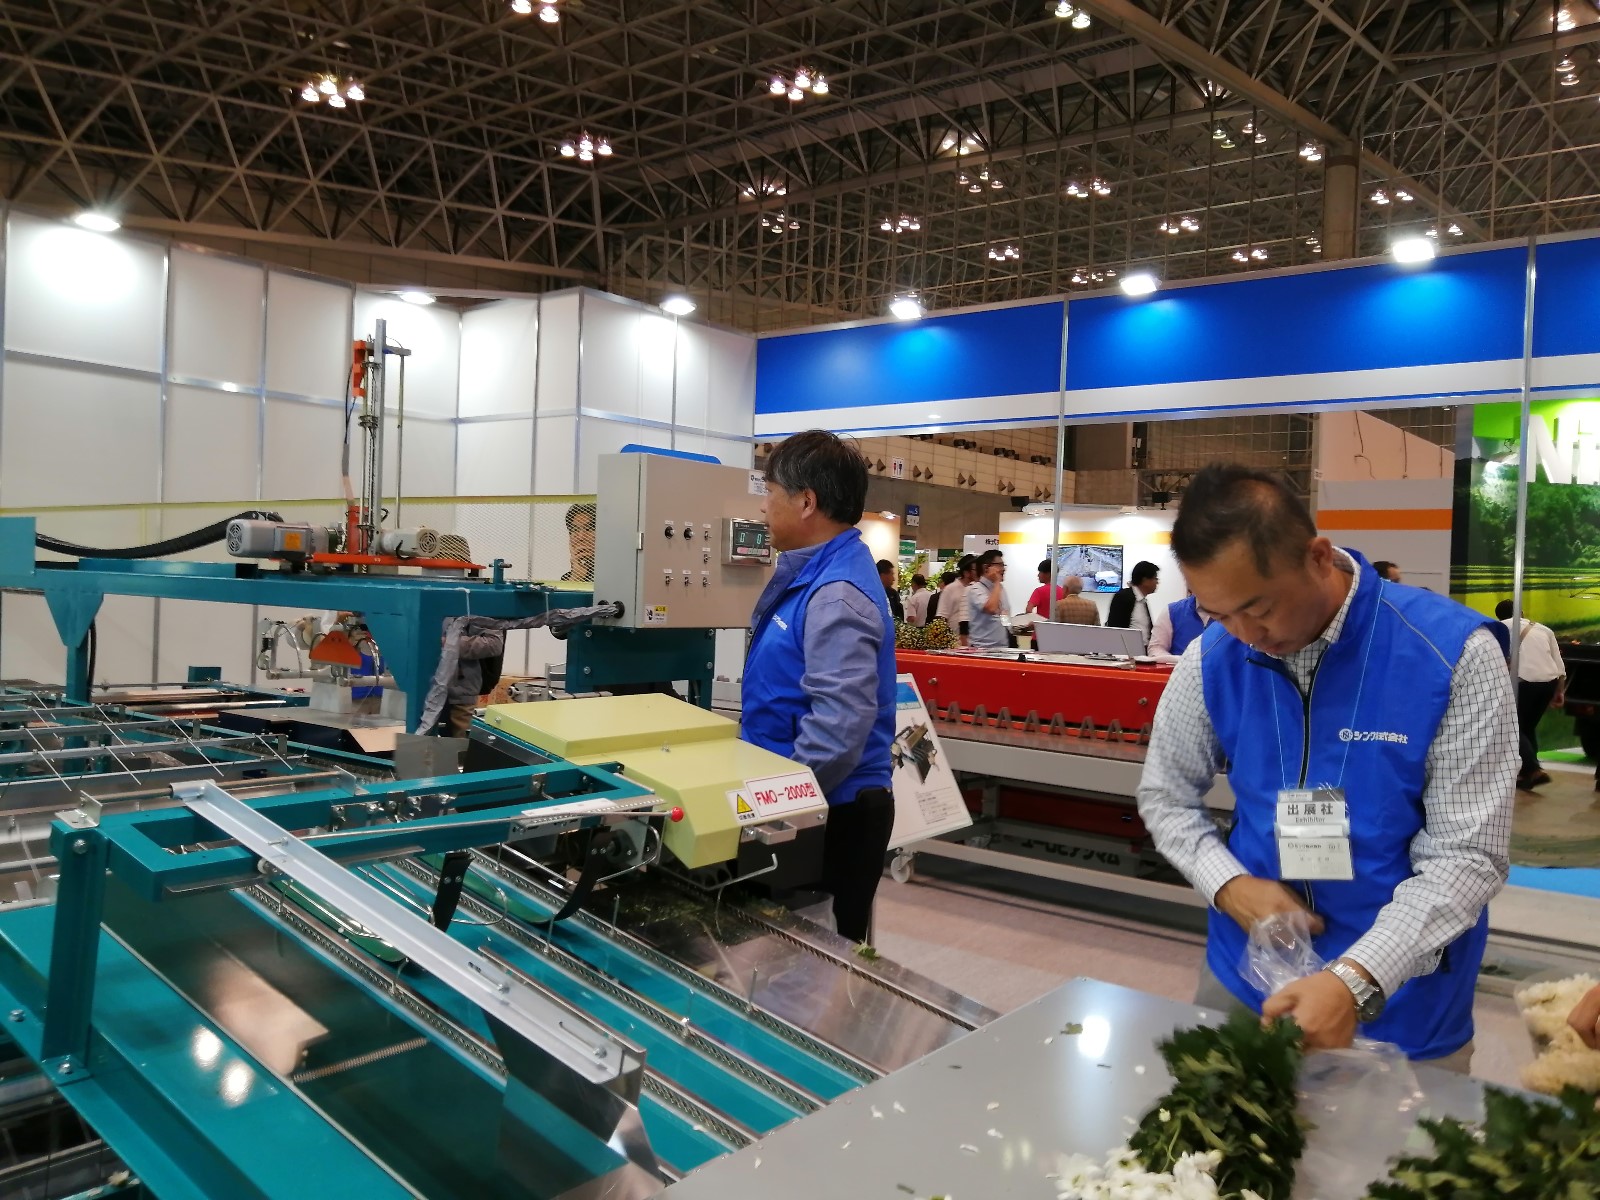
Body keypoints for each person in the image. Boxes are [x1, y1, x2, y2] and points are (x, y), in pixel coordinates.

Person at [1136, 463, 1517, 1070]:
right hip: (1250, 976)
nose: (1246, 634)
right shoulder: (1211, 658)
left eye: (1259, 607)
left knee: (1395, 1136)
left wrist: (1355, 979)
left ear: (1317, 557)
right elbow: (1165, 797)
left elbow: (1468, 857)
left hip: (1405, 1001)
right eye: (1219, 613)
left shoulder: (1452, 655)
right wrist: (1228, 884)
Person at [742, 430, 896, 943]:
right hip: (808, 801)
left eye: (770, 492)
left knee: (807, 966)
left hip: (827, 812)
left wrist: (778, 808)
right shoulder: (816, 576)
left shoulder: (835, 593)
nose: (762, 507)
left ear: (806, 502)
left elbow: (839, 726)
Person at [1495, 599, 1566, 791]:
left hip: (1524, 683)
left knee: (1514, 727)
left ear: (1498, 616)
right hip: (1549, 683)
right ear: (1522, 613)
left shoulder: (1500, 628)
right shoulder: (1544, 629)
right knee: (1526, 727)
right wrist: (1559, 692)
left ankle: (1534, 770)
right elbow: (1559, 666)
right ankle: (1528, 773)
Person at [443, 625, 505, 736]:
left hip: (458, 696)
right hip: (422, 692)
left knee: (459, 743)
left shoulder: (480, 614)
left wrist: (447, 643)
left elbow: (494, 644)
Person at [1148, 591, 1210, 664]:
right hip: (1178, 669)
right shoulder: (1172, 611)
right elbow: (1156, 649)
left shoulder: (1223, 614)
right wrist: (1181, 662)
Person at [965, 550, 1010, 649]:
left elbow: (1004, 614)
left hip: (1002, 647)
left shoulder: (1000, 588)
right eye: (1000, 565)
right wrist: (997, 581)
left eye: (1003, 565)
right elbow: (991, 608)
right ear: (986, 568)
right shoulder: (975, 589)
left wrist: (1011, 628)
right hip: (981, 648)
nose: (1003, 569)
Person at [1107, 560, 1160, 636]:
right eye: (1155, 578)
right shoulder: (1123, 597)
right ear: (1145, 580)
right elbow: (1114, 630)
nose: (1157, 582)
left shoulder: (1142, 601)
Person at [939, 556, 978, 647]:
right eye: (975, 569)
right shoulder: (950, 589)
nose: (978, 572)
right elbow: (942, 616)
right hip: (955, 641)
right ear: (966, 572)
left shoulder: (977, 588)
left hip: (975, 640)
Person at [562, 502, 596, 583]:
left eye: (588, 529)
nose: (581, 537)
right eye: (575, 530)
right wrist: (576, 577)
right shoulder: (568, 578)